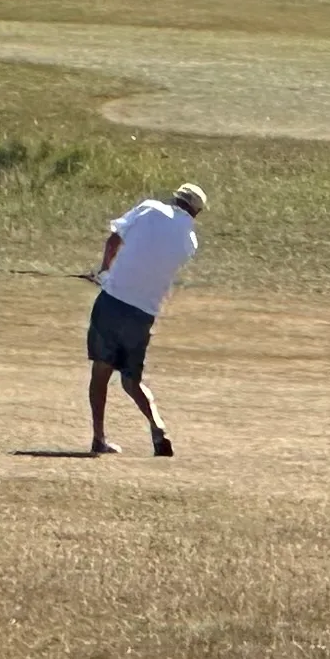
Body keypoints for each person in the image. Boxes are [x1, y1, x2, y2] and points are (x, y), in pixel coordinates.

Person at [84, 182, 204, 456]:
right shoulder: (190, 240)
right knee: (131, 379)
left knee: (101, 372)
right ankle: (158, 427)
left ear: (175, 199)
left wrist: (104, 272)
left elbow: (114, 240)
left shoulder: (149, 208)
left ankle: (98, 438)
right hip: (144, 313)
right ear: (195, 213)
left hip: (113, 302)